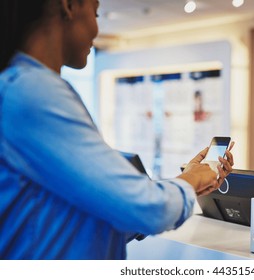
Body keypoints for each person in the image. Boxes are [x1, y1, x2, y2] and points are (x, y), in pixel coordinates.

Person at [0, 0, 234, 259]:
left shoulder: (24, 87)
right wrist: (190, 181)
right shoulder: (33, 91)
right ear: (69, 6)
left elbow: (88, 220)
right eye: (96, 12)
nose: (96, 29)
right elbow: (149, 211)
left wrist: (189, 184)